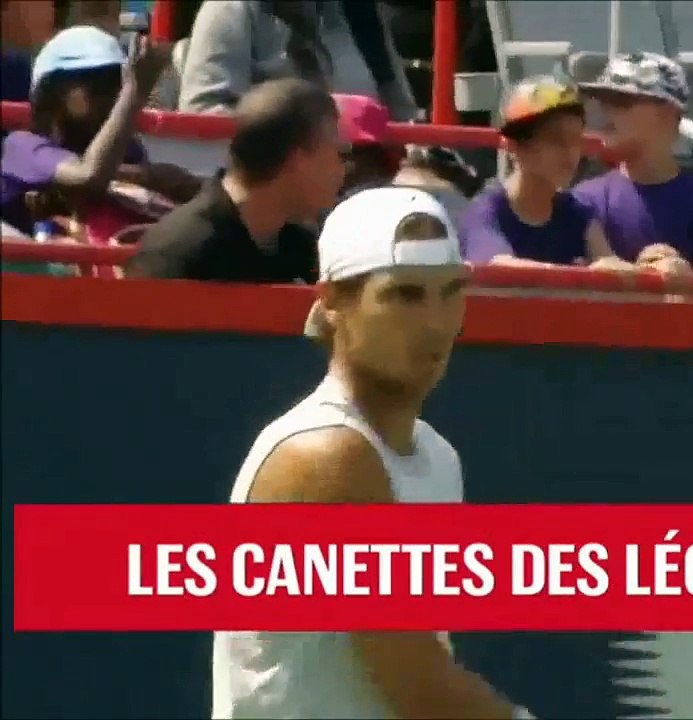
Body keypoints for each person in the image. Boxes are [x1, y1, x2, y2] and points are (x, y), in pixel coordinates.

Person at [213, 185, 536, 720]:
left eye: (450, 291)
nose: (436, 322)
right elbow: (420, 688)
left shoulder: (437, 457)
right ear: (335, 302)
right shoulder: (326, 456)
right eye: (405, 294)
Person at [0, 26, 200, 253]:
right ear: (53, 90)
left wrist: (163, 179)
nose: (112, 95)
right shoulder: (22, 146)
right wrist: (134, 95)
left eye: (117, 83)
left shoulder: (127, 150)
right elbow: (89, 176)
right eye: (97, 83)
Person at [126, 78, 345, 282]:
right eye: (339, 153)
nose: (344, 169)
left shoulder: (300, 249)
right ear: (296, 160)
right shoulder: (177, 252)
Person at [573, 52, 693, 277]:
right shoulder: (582, 201)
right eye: (603, 103)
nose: (605, 113)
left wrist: (684, 280)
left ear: (667, 114)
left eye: (621, 101)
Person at [457, 76, 632, 271]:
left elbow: (608, 263)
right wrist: (579, 275)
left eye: (575, 139)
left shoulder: (577, 212)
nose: (569, 152)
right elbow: (499, 266)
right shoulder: (486, 210)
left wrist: (653, 262)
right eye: (554, 139)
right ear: (514, 147)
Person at [178, 0, 418, 121]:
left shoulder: (360, 14)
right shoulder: (231, 9)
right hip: (274, 191)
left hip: (366, 187)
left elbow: (402, 115)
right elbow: (202, 114)